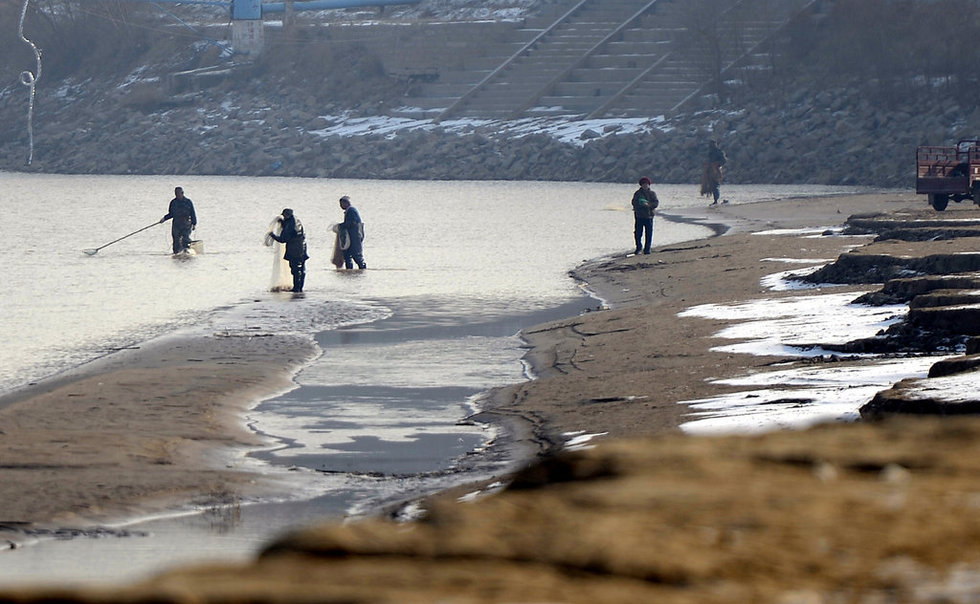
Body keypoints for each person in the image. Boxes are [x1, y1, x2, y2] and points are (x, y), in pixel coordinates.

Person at [267, 208, 308, 293]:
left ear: (286, 215)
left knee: (295, 269)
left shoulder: (290, 224)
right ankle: (299, 288)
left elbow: (283, 239)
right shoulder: (296, 220)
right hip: (302, 246)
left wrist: (272, 235)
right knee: (301, 268)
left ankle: (297, 288)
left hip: (294, 249)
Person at [159, 186, 197, 254]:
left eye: (178, 193)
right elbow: (171, 214)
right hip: (176, 224)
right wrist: (164, 218)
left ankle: (187, 251)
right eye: (176, 194)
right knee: (176, 240)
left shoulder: (188, 202)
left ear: (182, 193)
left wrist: (194, 224)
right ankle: (176, 253)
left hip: (186, 224)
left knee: (185, 238)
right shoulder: (173, 202)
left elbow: (192, 213)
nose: (177, 195)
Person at [631, 176, 659, 255]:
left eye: (646, 184)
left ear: (649, 185)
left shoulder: (652, 193)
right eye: (643, 184)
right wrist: (641, 205)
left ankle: (647, 249)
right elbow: (634, 203)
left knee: (649, 233)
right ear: (641, 185)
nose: (645, 185)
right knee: (638, 233)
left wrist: (648, 205)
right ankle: (639, 248)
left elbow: (656, 203)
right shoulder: (637, 193)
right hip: (639, 216)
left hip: (649, 216)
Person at [338, 195, 366, 270]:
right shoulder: (349, 211)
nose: (340, 206)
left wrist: (341, 226)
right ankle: (349, 271)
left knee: (356, 255)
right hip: (351, 236)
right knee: (347, 255)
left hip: (355, 236)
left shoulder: (351, 210)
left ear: (346, 203)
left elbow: (352, 223)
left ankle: (363, 269)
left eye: (341, 204)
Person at [701, 140, 727, 205]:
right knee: (711, 186)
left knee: (715, 185)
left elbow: (723, 161)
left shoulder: (719, 152)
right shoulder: (710, 152)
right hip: (709, 171)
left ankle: (716, 201)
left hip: (715, 171)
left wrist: (717, 164)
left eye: (711, 144)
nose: (710, 145)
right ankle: (715, 200)